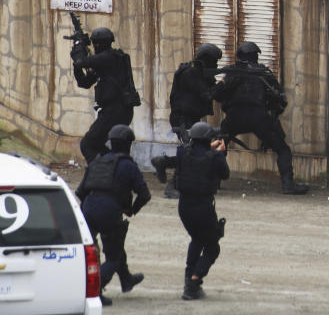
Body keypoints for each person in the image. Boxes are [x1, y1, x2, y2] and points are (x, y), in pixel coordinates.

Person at [212, 41, 308, 194]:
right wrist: (272, 118)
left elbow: (216, 94)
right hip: (259, 117)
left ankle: (213, 183)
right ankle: (288, 185)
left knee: (218, 145)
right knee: (283, 150)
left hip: (234, 117)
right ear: (254, 56)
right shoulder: (264, 73)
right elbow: (280, 100)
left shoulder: (233, 73)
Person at [152, 121, 230, 301]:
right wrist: (220, 153)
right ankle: (194, 280)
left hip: (185, 207)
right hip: (203, 207)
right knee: (212, 248)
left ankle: (189, 280)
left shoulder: (183, 153)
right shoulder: (214, 157)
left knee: (196, 239)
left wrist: (210, 148)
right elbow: (225, 174)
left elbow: (195, 152)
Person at [76, 124, 150, 306]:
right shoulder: (128, 165)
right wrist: (132, 209)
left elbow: (80, 192)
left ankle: (126, 280)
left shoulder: (97, 161)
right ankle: (95, 291)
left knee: (95, 251)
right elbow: (144, 194)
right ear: (128, 144)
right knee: (114, 256)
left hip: (87, 209)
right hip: (109, 212)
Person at [164, 43, 223, 198]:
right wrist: (224, 83)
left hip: (191, 118)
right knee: (189, 151)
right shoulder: (190, 73)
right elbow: (207, 95)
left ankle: (170, 169)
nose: (215, 65)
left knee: (193, 150)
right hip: (182, 118)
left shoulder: (199, 73)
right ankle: (172, 186)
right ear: (205, 60)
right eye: (214, 61)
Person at [73, 27, 139, 163]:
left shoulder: (109, 58)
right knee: (98, 145)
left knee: (88, 144)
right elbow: (84, 82)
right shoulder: (107, 62)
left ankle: (102, 171)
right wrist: (76, 64)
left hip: (114, 112)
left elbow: (82, 62)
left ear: (98, 44)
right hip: (118, 112)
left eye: (94, 44)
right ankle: (117, 166)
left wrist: (78, 47)